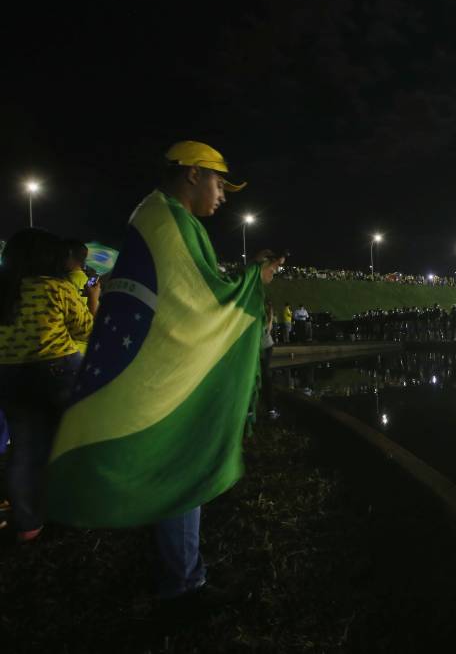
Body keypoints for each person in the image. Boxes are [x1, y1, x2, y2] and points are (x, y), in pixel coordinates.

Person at [46, 141, 285, 611]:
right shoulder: (169, 221)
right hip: (160, 374)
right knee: (177, 458)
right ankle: (182, 584)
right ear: (192, 174)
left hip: (151, 365)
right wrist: (255, 278)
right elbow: (201, 301)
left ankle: (180, 570)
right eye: (219, 183)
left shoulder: (157, 216)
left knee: (171, 460)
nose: (223, 195)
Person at [0, 229, 98, 542]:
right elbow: (85, 330)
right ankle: (77, 510)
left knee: (25, 448)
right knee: (72, 443)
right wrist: (94, 301)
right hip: (58, 370)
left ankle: (28, 523)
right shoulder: (55, 287)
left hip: (9, 376)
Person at [260, 300, 279, 420]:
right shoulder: (261, 318)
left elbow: (269, 327)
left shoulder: (264, 319)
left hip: (266, 347)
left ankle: (270, 409)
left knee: (266, 376)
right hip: (263, 347)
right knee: (265, 376)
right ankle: (269, 409)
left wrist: (270, 314)